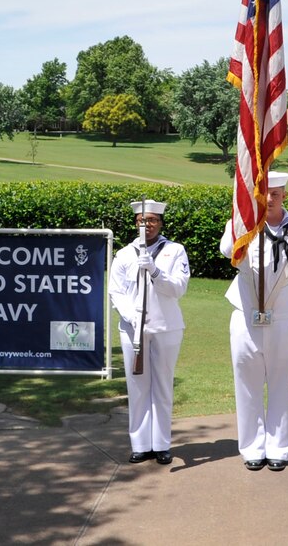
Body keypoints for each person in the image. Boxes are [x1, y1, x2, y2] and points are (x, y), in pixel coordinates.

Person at [219, 171, 288, 471]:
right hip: (246, 314)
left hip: (284, 318)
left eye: (276, 194)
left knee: (280, 382)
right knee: (247, 382)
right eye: (264, 194)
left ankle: (278, 447)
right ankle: (252, 446)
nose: (270, 200)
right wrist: (243, 223)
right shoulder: (241, 225)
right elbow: (228, 252)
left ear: (285, 195)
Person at [109, 199, 191, 465]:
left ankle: (162, 444)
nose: (148, 225)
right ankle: (140, 444)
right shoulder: (123, 254)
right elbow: (116, 292)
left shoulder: (175, 251)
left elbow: (178, 288)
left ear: (160, 222)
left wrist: (155, 271)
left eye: (153, 220)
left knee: (163, 385)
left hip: (166, 327)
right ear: (136, 223)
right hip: (133, 329)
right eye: (143, 220)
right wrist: (130, 316)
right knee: (137, 387)